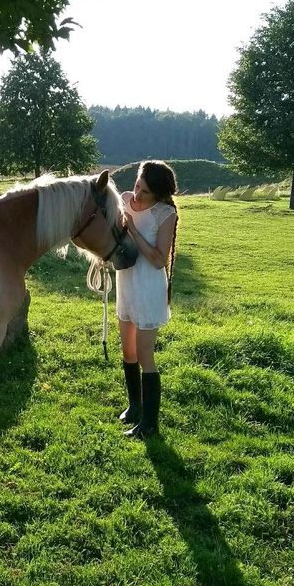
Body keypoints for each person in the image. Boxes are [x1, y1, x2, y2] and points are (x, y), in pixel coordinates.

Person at [115, 160, 179, 440]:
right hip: (126, 282)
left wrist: (132, 230)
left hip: (149, 286)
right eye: (138, 187)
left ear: (160, 195)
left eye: (146, 193)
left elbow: (157, 260)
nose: (138, 196)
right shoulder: (125, 200)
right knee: (127, 352)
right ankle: (134, 406)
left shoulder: (165, 213)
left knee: (145, 357)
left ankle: (150, 425)